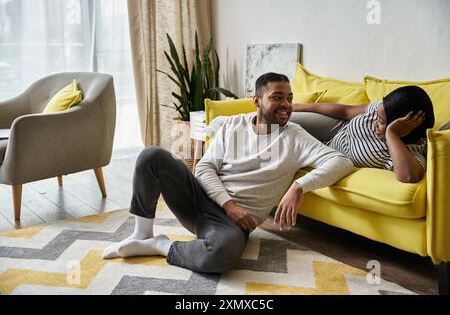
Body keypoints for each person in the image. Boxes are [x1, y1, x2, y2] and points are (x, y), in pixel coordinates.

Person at [102, 72, 355, 273]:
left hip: (230, 225)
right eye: (277, 97)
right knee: (152, 155)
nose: (286, 105)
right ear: (256, 100)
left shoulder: (295, 136)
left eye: (289, 98)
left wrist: (299, 186)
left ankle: (160, 245)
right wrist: (229, 203)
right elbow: (204, 167)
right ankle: (142, 234)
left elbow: (341, 161)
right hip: (200, 200)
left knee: (221, 255)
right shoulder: (234, 125)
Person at [291, 86, 434, 183]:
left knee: (285, 140)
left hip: (328, 152)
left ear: (405, 127)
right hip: (337, 128)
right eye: (377, 116)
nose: (374, 123)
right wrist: (300, 107)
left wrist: (392, 134)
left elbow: (409, 177)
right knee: (280, 119)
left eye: (382, 122)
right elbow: (346, 112)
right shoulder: (383, 110)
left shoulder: (411, 153)